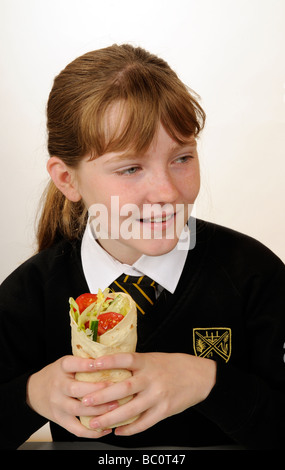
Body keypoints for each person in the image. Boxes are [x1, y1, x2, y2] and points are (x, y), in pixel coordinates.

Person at [0, 44, 284, 451]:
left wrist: (208, 382)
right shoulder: (30, 295)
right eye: (131, 168)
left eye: (182, 157)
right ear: (67, 179)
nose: (167, 192)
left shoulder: (255, 276)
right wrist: (30, 395)